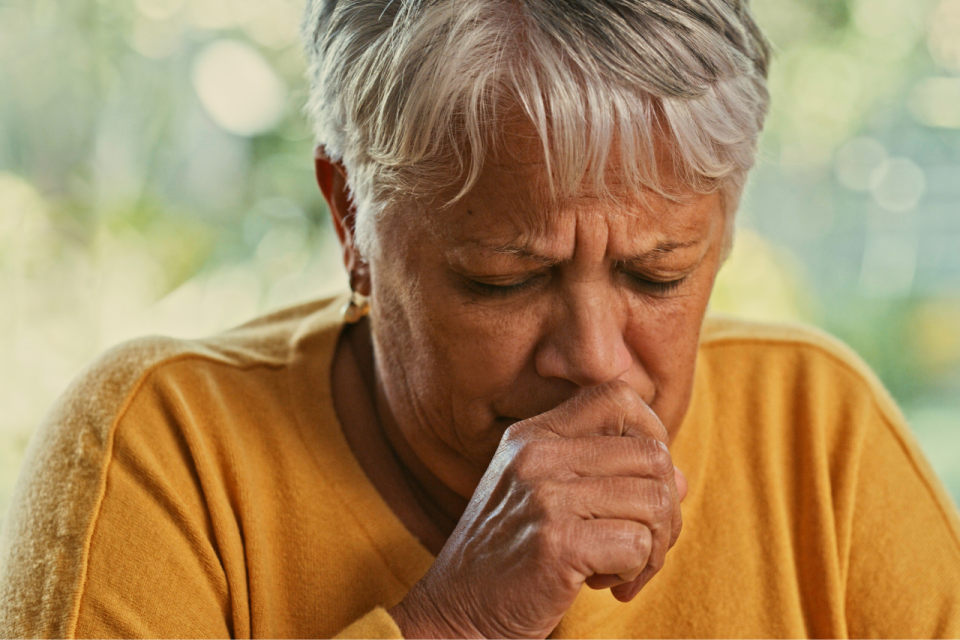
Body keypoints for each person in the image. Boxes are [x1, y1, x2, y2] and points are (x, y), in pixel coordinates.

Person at [2, 0, 959, 637]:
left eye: (657, 275)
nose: (594, 362)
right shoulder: (168, 450)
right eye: (504, 280)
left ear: (729, 224)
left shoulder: (820, 432)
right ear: (352, 220)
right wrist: (458, 623)